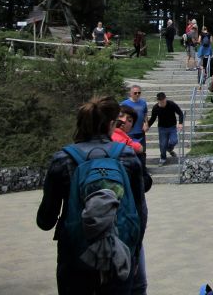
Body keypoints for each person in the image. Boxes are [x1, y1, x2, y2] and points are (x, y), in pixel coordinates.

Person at [36, 96, 147, 294]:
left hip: (75, 255)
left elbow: (45, 221)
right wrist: (135, 252)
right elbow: (140, 212)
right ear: (111, 124)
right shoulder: (128, 156)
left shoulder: (63, 159)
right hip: (118, 253)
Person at [145, 93, 184, 165]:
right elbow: (153, 118)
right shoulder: (155, 108)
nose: (163, 103)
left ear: (165, 99)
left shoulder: (171, 104)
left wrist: (180, 123)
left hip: (172, 127)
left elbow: (180, 113)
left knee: (174, 141)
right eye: (161, 102)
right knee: (163, 144)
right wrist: (147, 126)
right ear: (158, 101)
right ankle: (163, 158)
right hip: (162, 128)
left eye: (163, 101)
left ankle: (169, 149)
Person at [121, 85, 149, 158]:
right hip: (129, 132)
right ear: (131, 93)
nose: (137, 94)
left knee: (142, 151)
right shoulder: (124, 103)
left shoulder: (143, 103)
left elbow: (145, 114)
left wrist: (146, 123)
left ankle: (142, 164)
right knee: (131, 151)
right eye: (135, 93)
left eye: (139, 93)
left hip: (140, 131)